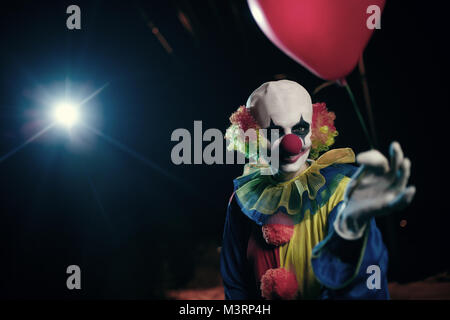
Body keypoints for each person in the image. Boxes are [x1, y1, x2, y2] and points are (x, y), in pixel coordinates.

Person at [220, 80, 415, 300]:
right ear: (250, 135)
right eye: (275, 132)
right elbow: (235, 284)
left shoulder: (340, 192)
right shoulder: (243, 200)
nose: (291, 143)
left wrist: (353, 232)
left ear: (314, 129)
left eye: (300, 129)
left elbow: (368, 281)